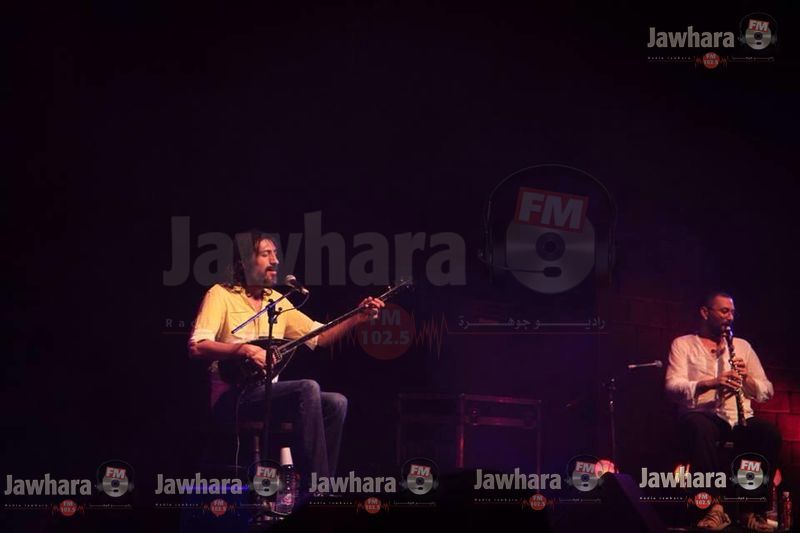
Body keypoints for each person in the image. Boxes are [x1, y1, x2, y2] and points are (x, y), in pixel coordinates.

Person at [188, 229, 384, 486]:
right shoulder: (221, 295)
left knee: (336, 403)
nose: (275, 260)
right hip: (232, 398)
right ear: (245, 262)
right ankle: (319, 488)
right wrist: (244, 349)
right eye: (266, 254)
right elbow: (197, 346)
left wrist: (358, 317)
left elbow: (320, 337)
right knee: (307, 388)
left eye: (275, 254)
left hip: (267, 395)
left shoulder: (277, 301)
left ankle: (316, 483)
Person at [665, 291, 781, 531]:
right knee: (699, 427)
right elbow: (672, 387)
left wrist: (747, 378)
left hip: (738, 417)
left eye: (733, 312)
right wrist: (711, 383)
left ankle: (750, 510)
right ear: (705, 312)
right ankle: (712, 509)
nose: (730, 317)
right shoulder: (683, 344)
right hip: (701, 413)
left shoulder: (742, 346)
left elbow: (767, 390)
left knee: (768, 433)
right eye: (724, 311)